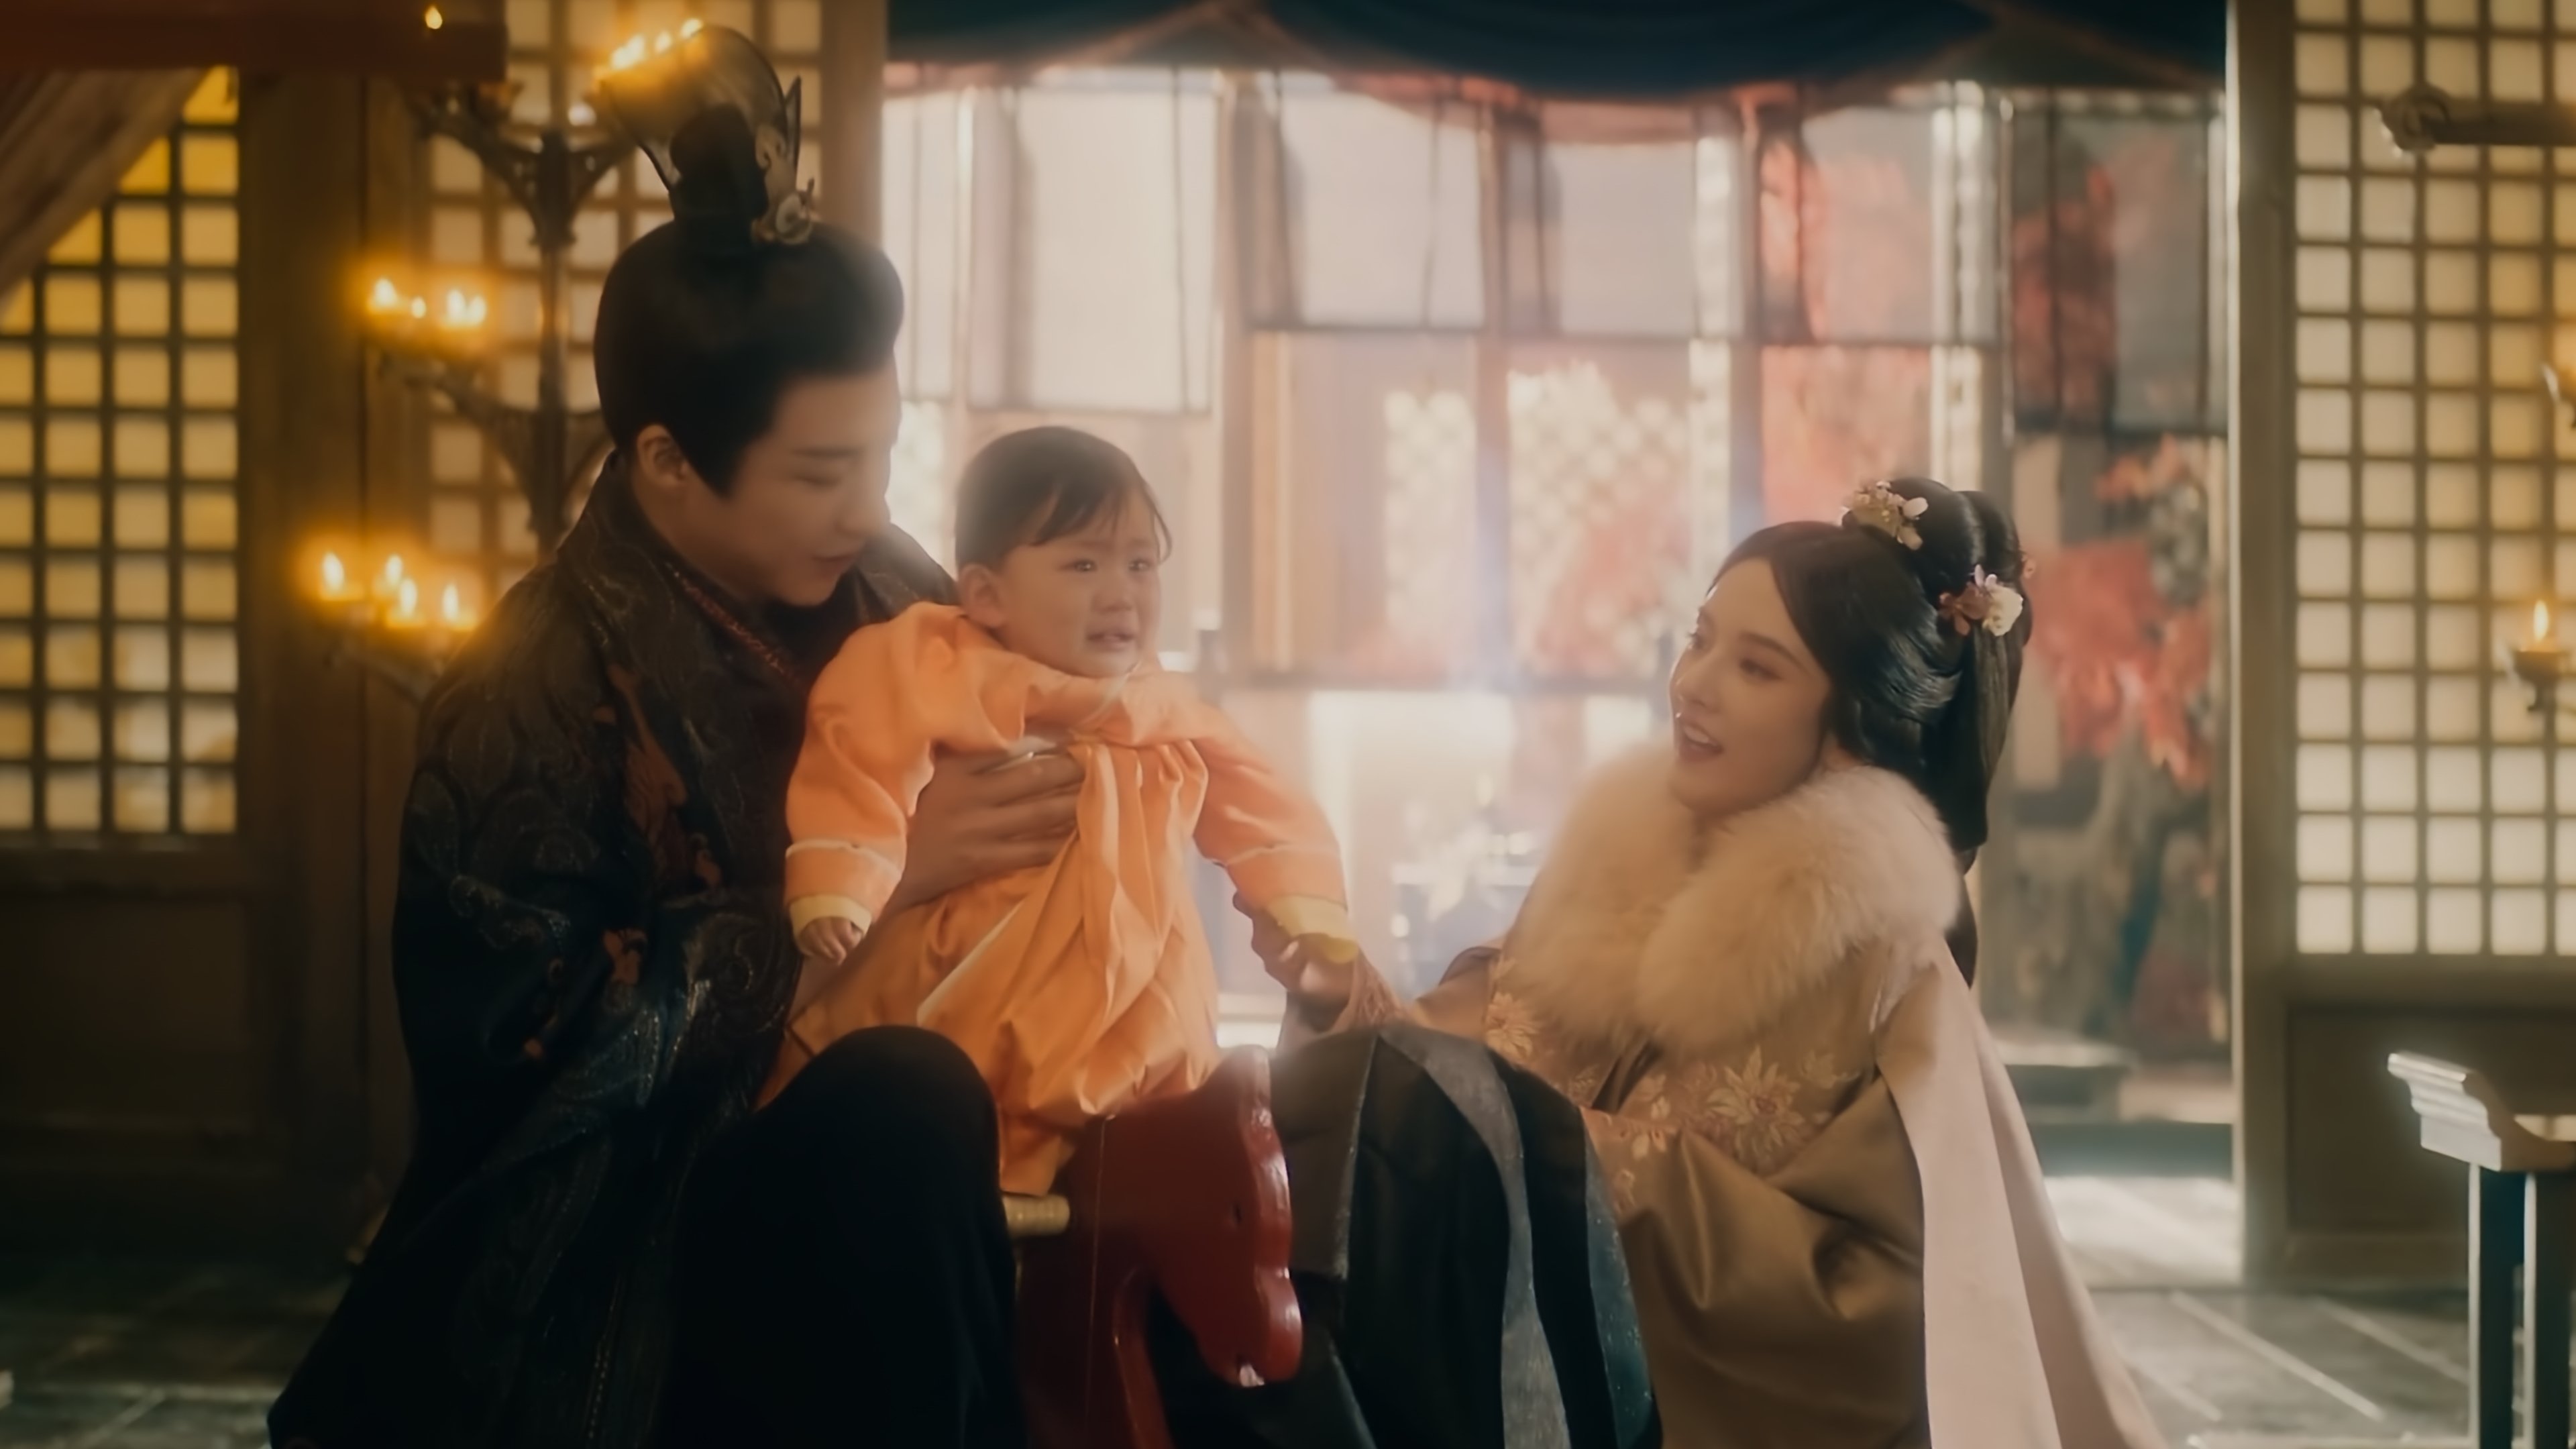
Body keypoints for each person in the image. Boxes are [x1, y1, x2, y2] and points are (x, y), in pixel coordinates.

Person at [268, 103, 1071, 1449]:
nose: (869, 509)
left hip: (925, 1126)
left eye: (881, 458)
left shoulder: (897, 592)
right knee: (903, 1106)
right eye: (821, 473)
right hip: (637, 1232)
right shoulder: (529, 683)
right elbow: (529, 1044)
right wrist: (871, 885)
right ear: (665, 461)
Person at [1265, 477, 2167, 1449]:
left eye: (1757, 668)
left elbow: (1880, 1315)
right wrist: (1342, 999)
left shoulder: (1885, 968)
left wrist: (1578, 1171)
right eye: (1699, 641)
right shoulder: (1607, 869)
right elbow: (1449, 1080)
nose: (1695, 684)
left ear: (1848, 731)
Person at [774, 426, 1358, 1195]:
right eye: (1083, 564)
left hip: (1134, 978)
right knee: (941, 1077)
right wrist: (845, 876)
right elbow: (861, 745)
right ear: (986, 594)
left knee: (1187, 1108)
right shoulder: (937, 661)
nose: (1121, 593)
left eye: (1140, 564)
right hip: (974, 972)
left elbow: (1260, 795)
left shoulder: (1161, 706)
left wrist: (1305, 902)